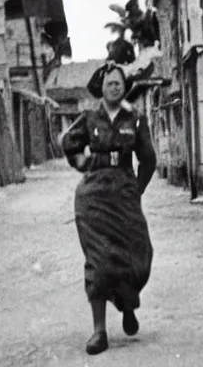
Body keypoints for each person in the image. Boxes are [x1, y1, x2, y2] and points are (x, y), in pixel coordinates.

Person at [60, 63, 156, 356]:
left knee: (138, 257)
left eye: (119, 83)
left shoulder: (136, 120)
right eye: (110, 83)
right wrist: (83, 165)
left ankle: (127, 304)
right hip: (95, 195)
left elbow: (148, 159)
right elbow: (68, 143)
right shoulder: (90, 118)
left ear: (124, 87)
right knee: (99, 261)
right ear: (100, 88)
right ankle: (99, 331)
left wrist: (136, 190)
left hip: (125, 191)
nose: (115, 87)